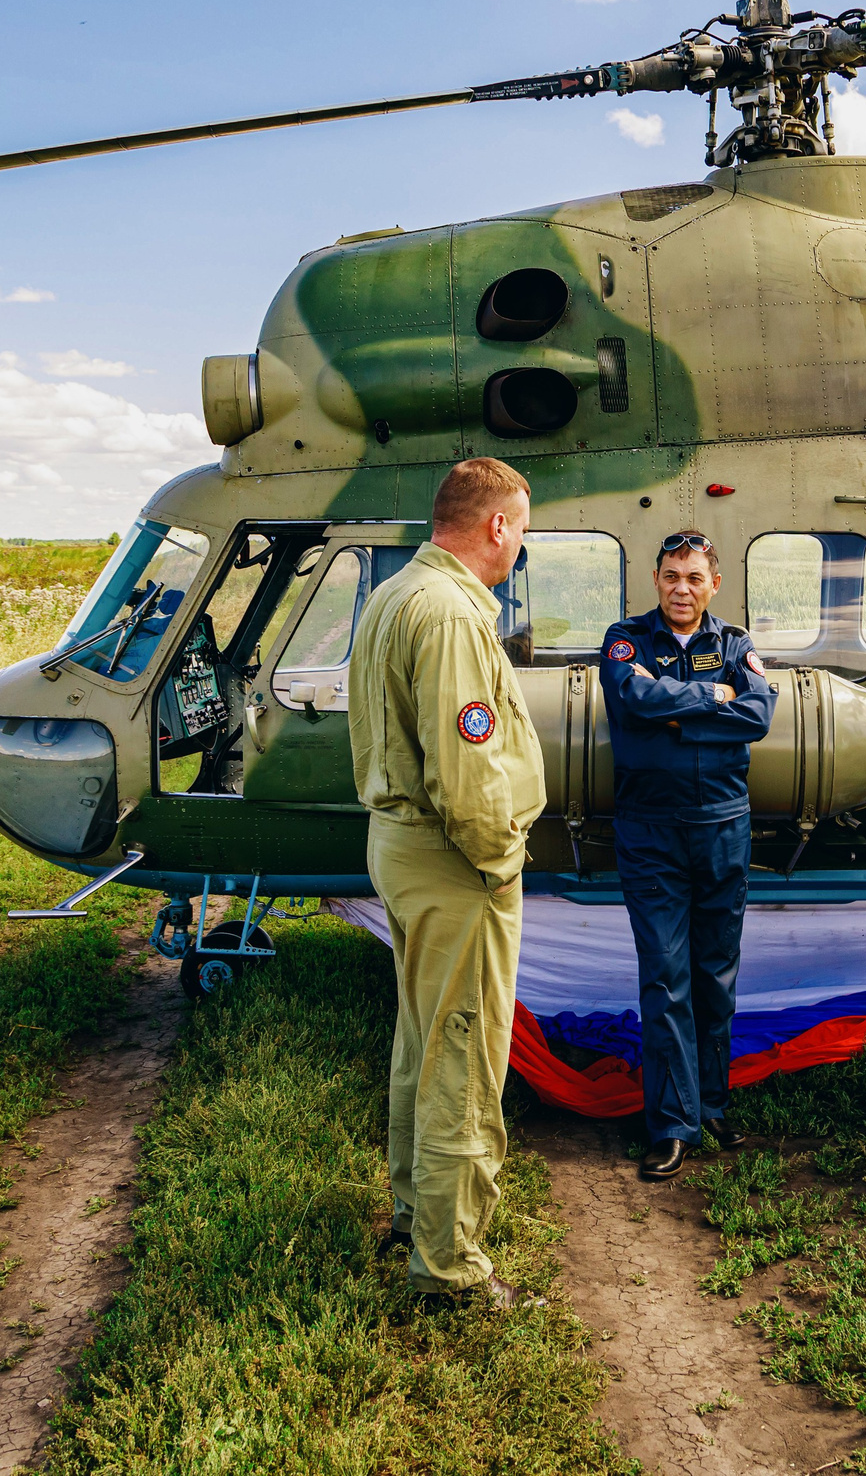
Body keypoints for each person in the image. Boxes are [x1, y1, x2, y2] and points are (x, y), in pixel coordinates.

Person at [346, 457, 546, 1306]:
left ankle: (413, 1215)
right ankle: (450, 1265)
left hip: (401, 846)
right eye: (522, 528)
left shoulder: (397, 593)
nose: (521, 544)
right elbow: (465, 775)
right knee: (462, 1054)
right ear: (496, 525)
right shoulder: (453, 614)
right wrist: (499, 860)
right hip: (454, 859)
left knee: (424, 1040)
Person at [598, 530, 777, 1182]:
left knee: (714, 973)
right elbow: (632, 700)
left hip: (723, 828)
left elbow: (758, 715)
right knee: (665, 975)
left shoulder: (734, 645)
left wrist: (674, 713)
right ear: (656, 578)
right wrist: (711, 697)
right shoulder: (626, 640)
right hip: (651, 833)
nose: (682, 589)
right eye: (672, 576)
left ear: (714, 584)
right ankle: (671, 1126)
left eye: (694, 577)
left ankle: (711, 1105)